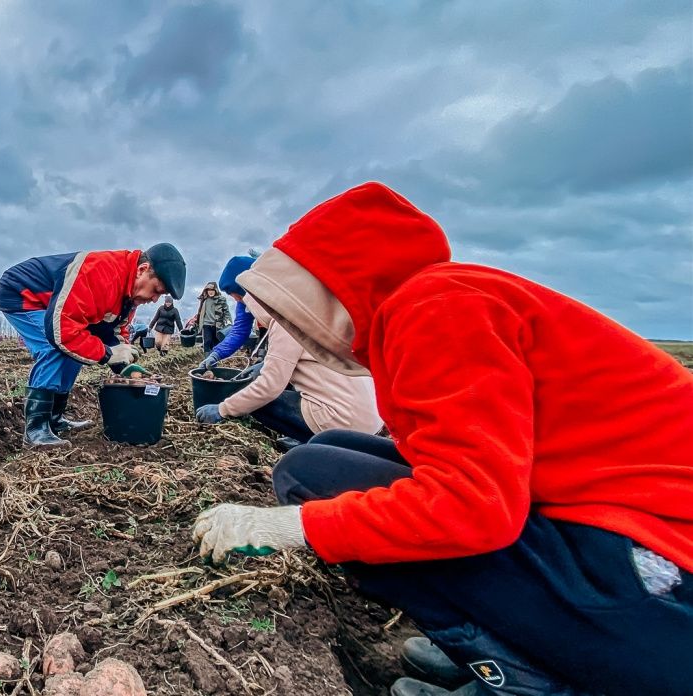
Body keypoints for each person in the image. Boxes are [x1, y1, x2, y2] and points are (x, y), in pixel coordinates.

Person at [193, 183, 693, 695]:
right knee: (318, 467)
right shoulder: (424, 305)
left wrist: (295, 527)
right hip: (582, 522)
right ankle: (501, 639)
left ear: (326, 287)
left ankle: (525, 678)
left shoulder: (438, 307)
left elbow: (474, 506)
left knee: (325, 495)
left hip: (659, 578)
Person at [0, 244, 187, 446]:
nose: (155, 299)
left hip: (55, 305)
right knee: (55, 348)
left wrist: (125, 365)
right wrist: (105, 353)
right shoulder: (99, 273)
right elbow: (62, 332)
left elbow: (114, 331)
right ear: (142, 270)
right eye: (156, 290)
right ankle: (36, 428)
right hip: (24, 294)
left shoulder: (129, 296)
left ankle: (54, 419)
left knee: (76, 351)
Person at [197, 296, 380, 446]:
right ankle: (307, 435)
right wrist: (263, 364)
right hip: (371, 417)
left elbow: (268, 388)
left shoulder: (284, 323)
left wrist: (223, 409)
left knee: (255, 399)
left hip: (344, 422)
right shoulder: (311, 312)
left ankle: (313, 442)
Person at [193, 281, 231, 353]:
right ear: (206, 291)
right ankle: (207, 361)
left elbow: (226, 312)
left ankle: (214, 362)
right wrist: (196, 321)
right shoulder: (204, 300)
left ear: (215, 290)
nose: (210, 292)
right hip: (206, 324)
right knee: (207, 342)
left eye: (212, 290)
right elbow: (200, 312)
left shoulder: (221, 300)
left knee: (215, 344)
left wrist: (228, 321)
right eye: (209, 290)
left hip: (217, 325)